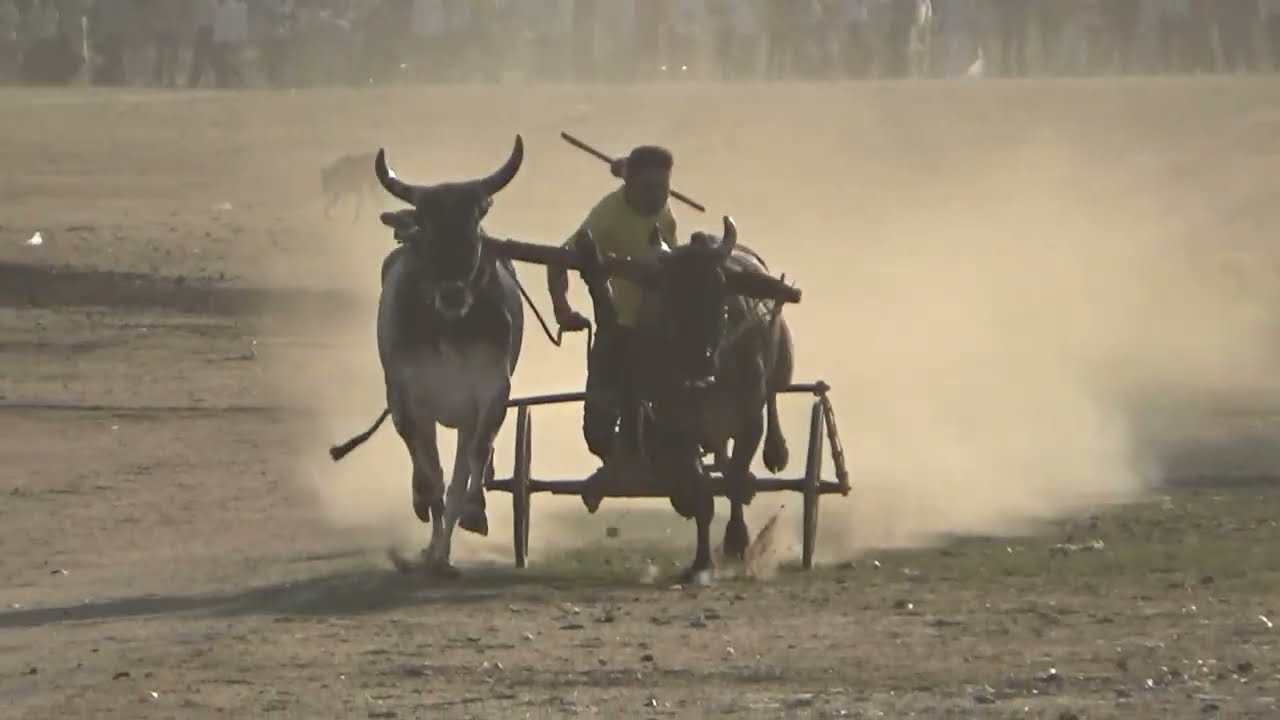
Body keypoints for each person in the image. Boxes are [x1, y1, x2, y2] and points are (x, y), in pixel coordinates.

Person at [546, 145, 678, 465]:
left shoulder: (664, 214)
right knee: (598, 432)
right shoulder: (606, 219)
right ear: (629, 185)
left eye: (662, 187)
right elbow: (558, 260)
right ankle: (621, 460)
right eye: (647, 187)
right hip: (619, 328)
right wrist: (562, 309)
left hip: (661, 331)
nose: (656, 196)